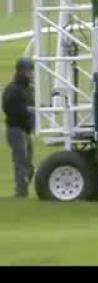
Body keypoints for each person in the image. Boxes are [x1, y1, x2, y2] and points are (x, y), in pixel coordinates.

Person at [2, 58, 35, 198]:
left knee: (28, 162)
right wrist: (27, 111)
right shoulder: (13, 89)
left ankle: (22, 187)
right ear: (20, 71)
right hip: (16, 129)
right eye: (28, 71)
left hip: (25, 130)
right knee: (21, 161)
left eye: (31, 71)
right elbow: (8, 108)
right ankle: (21, 192)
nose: (31, 74)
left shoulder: (29, 88)